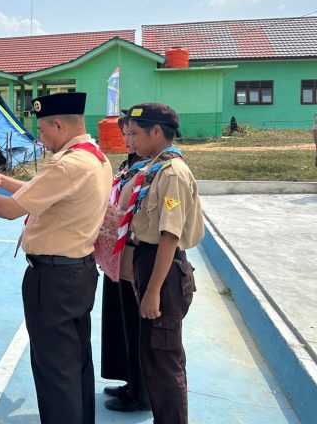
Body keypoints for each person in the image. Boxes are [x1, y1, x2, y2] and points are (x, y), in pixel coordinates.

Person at [0, 92, 111, 424]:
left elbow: (12, 211)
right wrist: (2, 181)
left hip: (54, 278)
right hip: (77, 272)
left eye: (42, 131)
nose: (40, 138)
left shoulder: (68, 164)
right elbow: (47, 193)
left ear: (58, 124)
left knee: (55, 367)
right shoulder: (94, 156)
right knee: (75, 359)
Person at [122, 102, 203, 424]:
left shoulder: (172, 174)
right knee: (154, 357)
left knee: (164, 360)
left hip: (164, 272)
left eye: (137, 133)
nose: (132, 140)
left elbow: (170, 236)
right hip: (150, 262)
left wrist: (154, 291)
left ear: (157, 132)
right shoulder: (153, 167)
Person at [100, 113, 150, 412]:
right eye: (126, 134)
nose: (128, 140)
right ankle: (130, 380)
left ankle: (142, 392)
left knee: (137, 326)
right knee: (121, 322)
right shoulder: (130, 164)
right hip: (119, 255)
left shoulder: (152, 169)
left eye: (133, 134)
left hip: (135, 256)